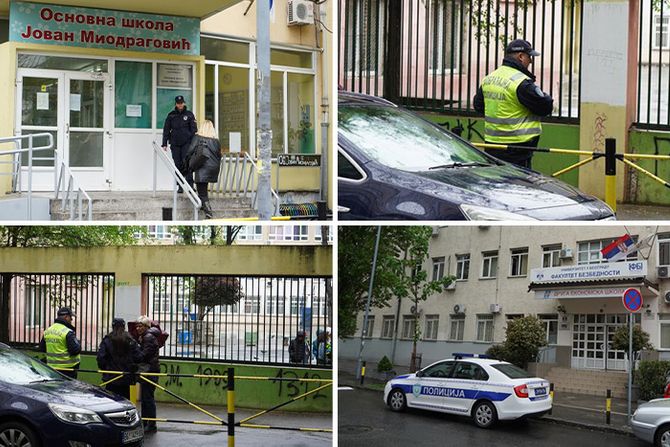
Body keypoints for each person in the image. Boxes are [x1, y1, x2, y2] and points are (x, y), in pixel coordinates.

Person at [473, 39, 554, 169]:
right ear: (521, 56)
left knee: (496, 181)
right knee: (518, 184)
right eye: (529, 57)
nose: (531, 61)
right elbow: (545, 107)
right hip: (518, 147)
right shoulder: (520, 82)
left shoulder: (489, 79)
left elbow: (478, 106)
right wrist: (546, 97)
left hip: (492, 145)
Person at [96, 318, 143, 399]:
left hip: (111, 378)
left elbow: (101, 358)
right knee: (125, 402)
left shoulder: (107, 340)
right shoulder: (130, 340)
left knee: (111, 401)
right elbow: (138, 357)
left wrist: (105, 369)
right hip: (127, 377)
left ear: (112, 326)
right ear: (124, 327)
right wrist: (132, 366)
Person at [185, 119, 222, 219]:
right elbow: (219, 156)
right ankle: (202, 205)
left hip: (202, 166)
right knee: (203, 188)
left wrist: (187, 163)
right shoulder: (216, 141)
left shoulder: (197, 137)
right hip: (213, 167)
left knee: (202, 191)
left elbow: (190, 151)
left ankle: (208, 212)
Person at [161, 95, 197, 192]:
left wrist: (194, 144)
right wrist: (164, 143)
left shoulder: (189, 115)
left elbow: (194, 130)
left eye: (181, 103)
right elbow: (166, 130)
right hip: (175, 144)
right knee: (178, 164)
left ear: (184, 103)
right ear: (176, 104)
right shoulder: (171, 115)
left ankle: (190, 186)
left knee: (188, 164)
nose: (180, 105)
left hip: (187, 144)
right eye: (178, 103)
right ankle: (180, 186)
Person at [39, 307, 81, 379]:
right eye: (71, 317)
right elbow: (76, 350)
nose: (72, 320)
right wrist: (78, 342)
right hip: (68, 369)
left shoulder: (48, 331)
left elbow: (42, 348)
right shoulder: (67, 332)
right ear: (66, 317)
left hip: (52, 368)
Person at [136, 315, 161, 433]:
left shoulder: (148, 338)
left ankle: (151, 424)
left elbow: (144, 355)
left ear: (146, 326)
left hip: (150, 371)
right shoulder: (145, 337)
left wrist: (135, 352)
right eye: (137, 326)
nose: (137, 328)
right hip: (148, 371)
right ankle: (146, 421)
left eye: (140, 326)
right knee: (145, 398)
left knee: (148, 398)